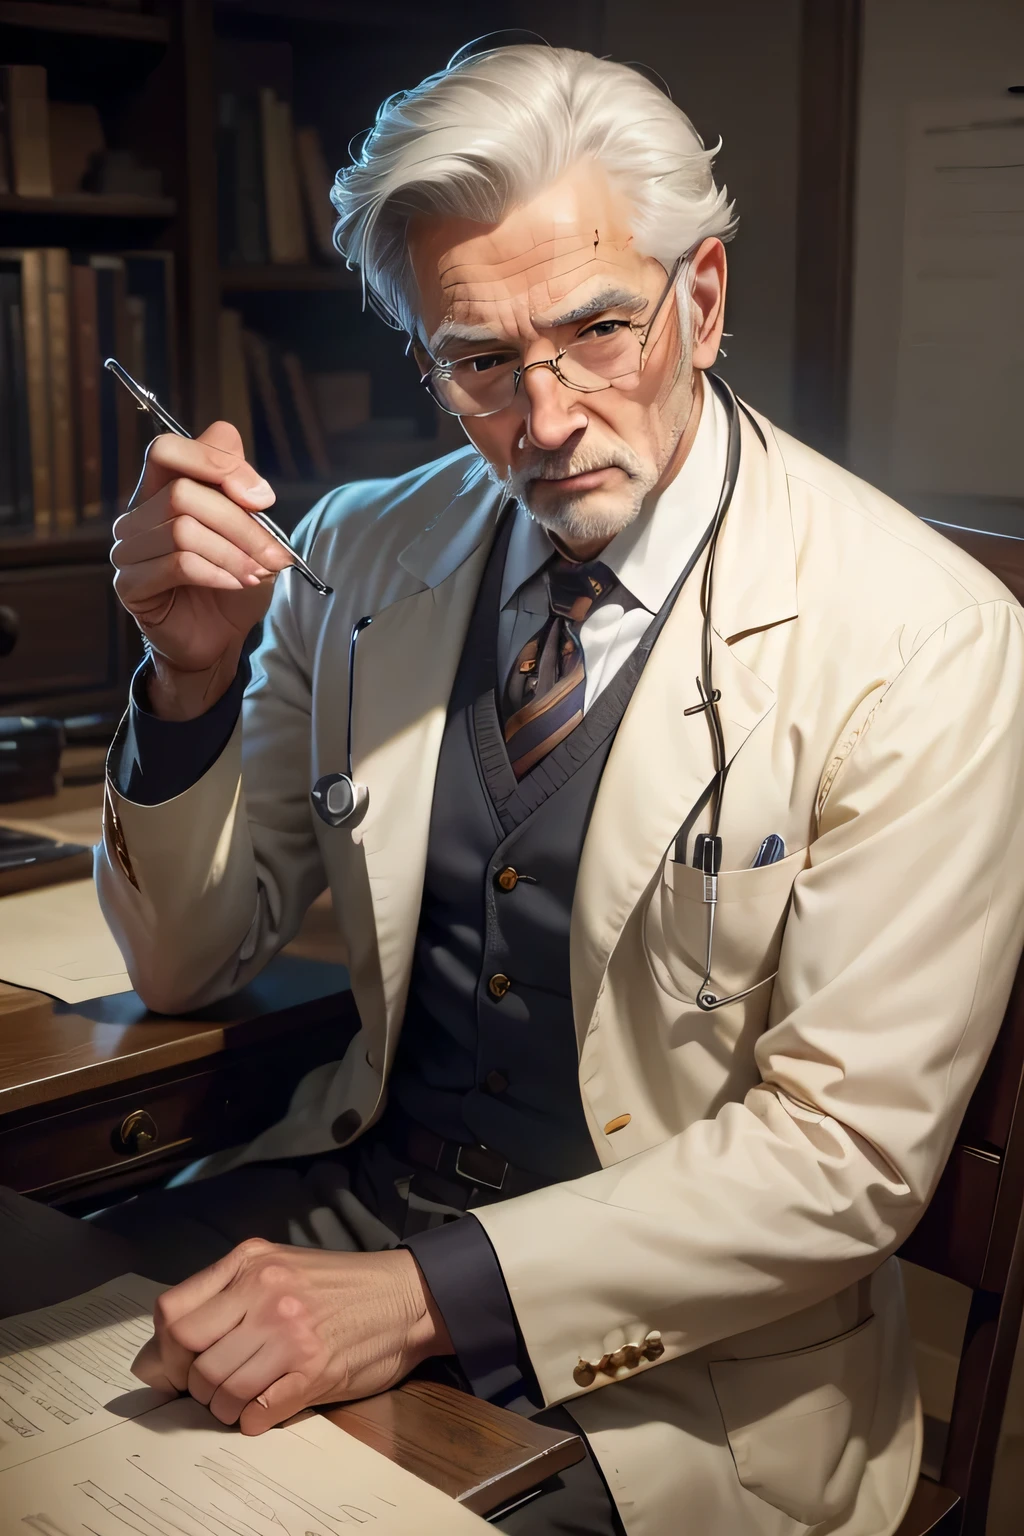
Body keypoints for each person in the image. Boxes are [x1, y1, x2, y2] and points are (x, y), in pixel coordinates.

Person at [7, 41, 1024, 1536]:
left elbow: (843, 1162)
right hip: (344, 1199)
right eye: (478, 361)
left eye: (599, 328)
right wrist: (190, 681)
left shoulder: (927, 638)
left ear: (706, 298)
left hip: (686, 1370)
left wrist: (419, 1300)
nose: (542, 420)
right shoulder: (357, 551)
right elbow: (184, 958)